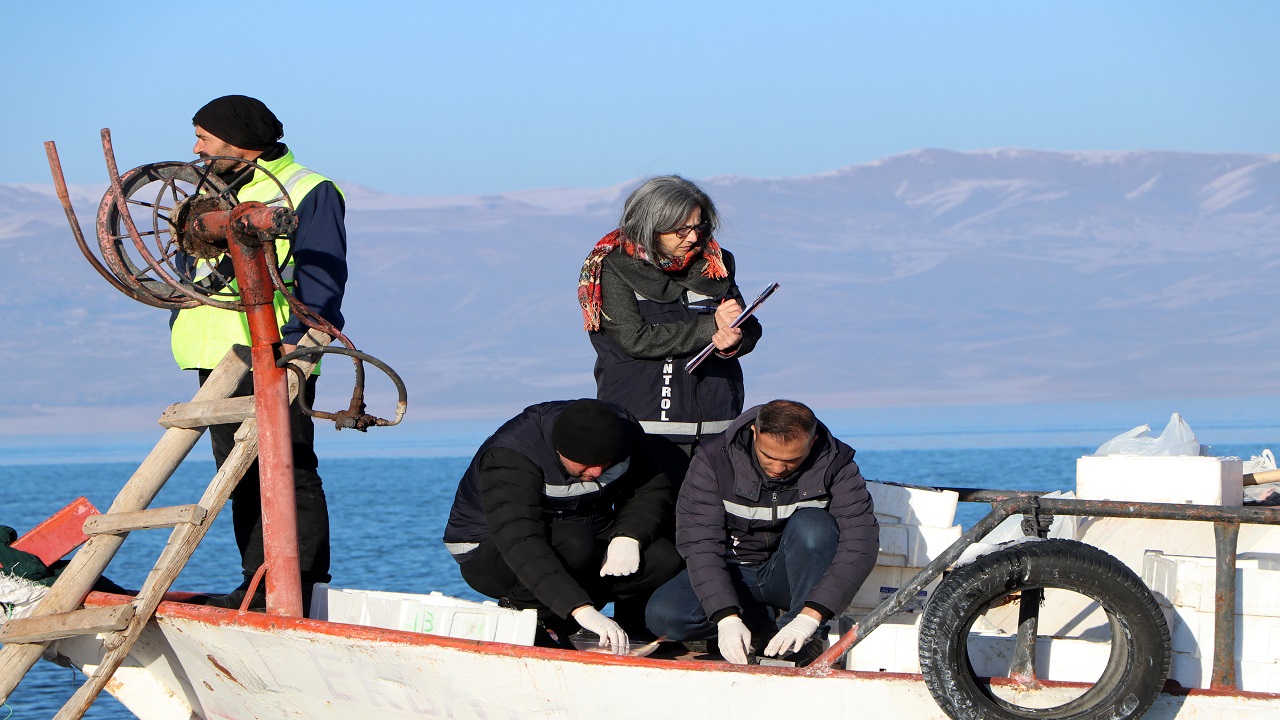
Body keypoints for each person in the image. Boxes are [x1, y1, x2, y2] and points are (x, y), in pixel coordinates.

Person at [173, 95, 348, 611]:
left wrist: (299, 343)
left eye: (204, 137)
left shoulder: (308, 189)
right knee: (237, 470)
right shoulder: (209, 192)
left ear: (238, 140)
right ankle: (259, 582)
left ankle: (301, 585)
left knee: (287, 464)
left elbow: (321, 276)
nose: (195, 148)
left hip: (273, 349)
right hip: (216, 355)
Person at [645, 400, 879, 666]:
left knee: (815, 525)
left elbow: (861, 543)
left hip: (789, 578)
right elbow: (700, 544)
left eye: (792, 460)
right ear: (754, 432)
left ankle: (801, 638)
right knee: (664, 616)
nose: (778, 469)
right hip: (731, 572)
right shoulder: (713, 459)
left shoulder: (836, 463)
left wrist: (810, 617)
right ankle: (757, 627)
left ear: (812, 442)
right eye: (769, 456)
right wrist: (726, 617)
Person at [443, 399, 683, 653]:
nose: (598, 471)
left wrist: (628, 536)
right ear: (559, 451)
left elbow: (650, 488)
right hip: (493, 552)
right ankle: (530, 616)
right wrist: (580, 608)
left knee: (663, 557)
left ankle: (567, 622)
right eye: (586, 464)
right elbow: (521, 541)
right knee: (574, 543)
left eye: (607, 462)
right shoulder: (511, 455)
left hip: (582, 533)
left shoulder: (623, 432)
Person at [577, 175, 762, 492]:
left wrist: (734, 340)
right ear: (650, 225)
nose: (693, 237)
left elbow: (746, 326)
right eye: (681, 229)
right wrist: (711, 328)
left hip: (717, 428)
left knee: (710, 530)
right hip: (646, 429)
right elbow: (634, 339)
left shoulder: (716, 263)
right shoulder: (611, 267)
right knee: (651, 524)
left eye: (699, 227)